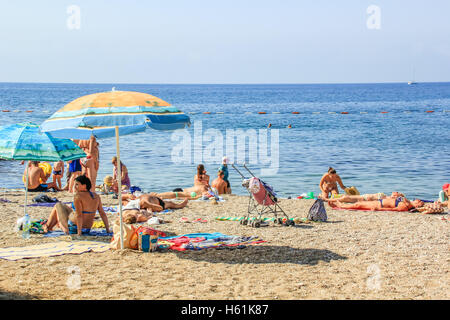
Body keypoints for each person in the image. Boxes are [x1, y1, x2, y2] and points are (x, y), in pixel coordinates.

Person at [42, 175, 110, 235]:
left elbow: (79, 215)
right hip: (87, 229)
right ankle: (48, 227)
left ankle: (49, 227)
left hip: (74, 228)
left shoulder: (78, 196)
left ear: (84, 186)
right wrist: (107, 230)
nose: (75, 187)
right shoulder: (96, 196)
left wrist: (79, 233)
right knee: (62, 206)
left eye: (77, 184)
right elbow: (102, 213)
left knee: (58, 205)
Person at [328, 195, 424, 212]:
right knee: (360, 202)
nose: (418, 200)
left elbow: (392, 209)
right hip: (380, 201)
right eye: (419, 200)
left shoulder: (405, 206)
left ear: (416, 206)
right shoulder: (406, 201)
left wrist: (379, 209)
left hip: (379, 205)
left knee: (358, 205)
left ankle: (341, 206)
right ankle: (342, 205)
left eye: (419, 202)